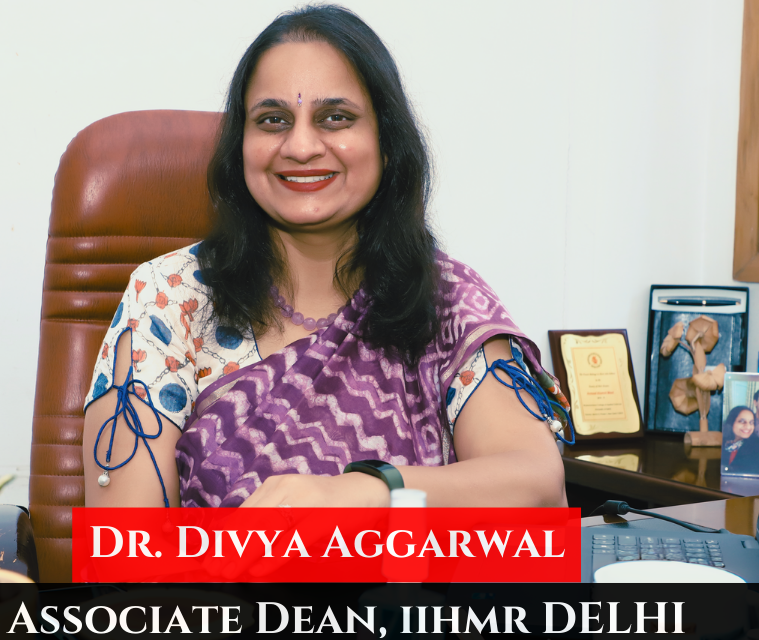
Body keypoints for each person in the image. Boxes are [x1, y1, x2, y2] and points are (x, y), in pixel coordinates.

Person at [80, 5, 570, 509]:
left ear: (386, 139)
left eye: (335, 117)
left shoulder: (444, 301)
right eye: (273, 120)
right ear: (240, 145)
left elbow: (536, 484)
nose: (301, 146)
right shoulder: (171, 296)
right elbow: (128, 548)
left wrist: (366, 492)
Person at [722, 406, 759, 476]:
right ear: (731, 422)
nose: (748, 427)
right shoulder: (722, 442)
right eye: (742, 421)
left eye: (751, 423)